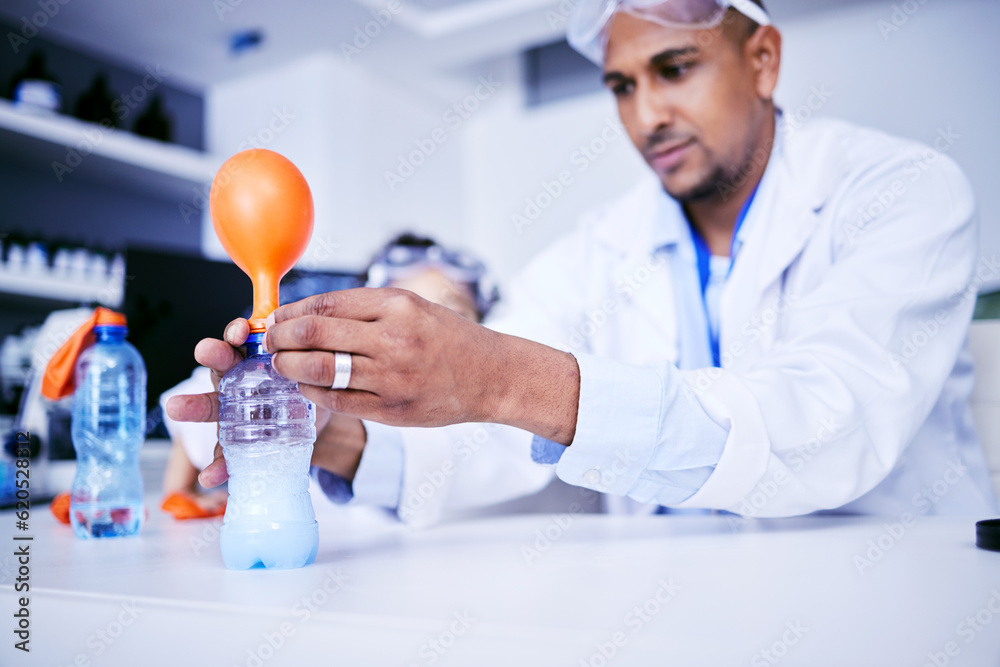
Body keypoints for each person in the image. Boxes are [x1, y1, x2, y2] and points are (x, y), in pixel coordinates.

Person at [168, 0, 997, 526]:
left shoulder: (901, 191)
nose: (648, 115)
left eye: (675, 69)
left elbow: (826, 422)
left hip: (897, 601)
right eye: (621, 85)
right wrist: (333, 435)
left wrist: (500, 373)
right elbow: (495, 441)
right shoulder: (600, 251)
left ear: (763, 59)